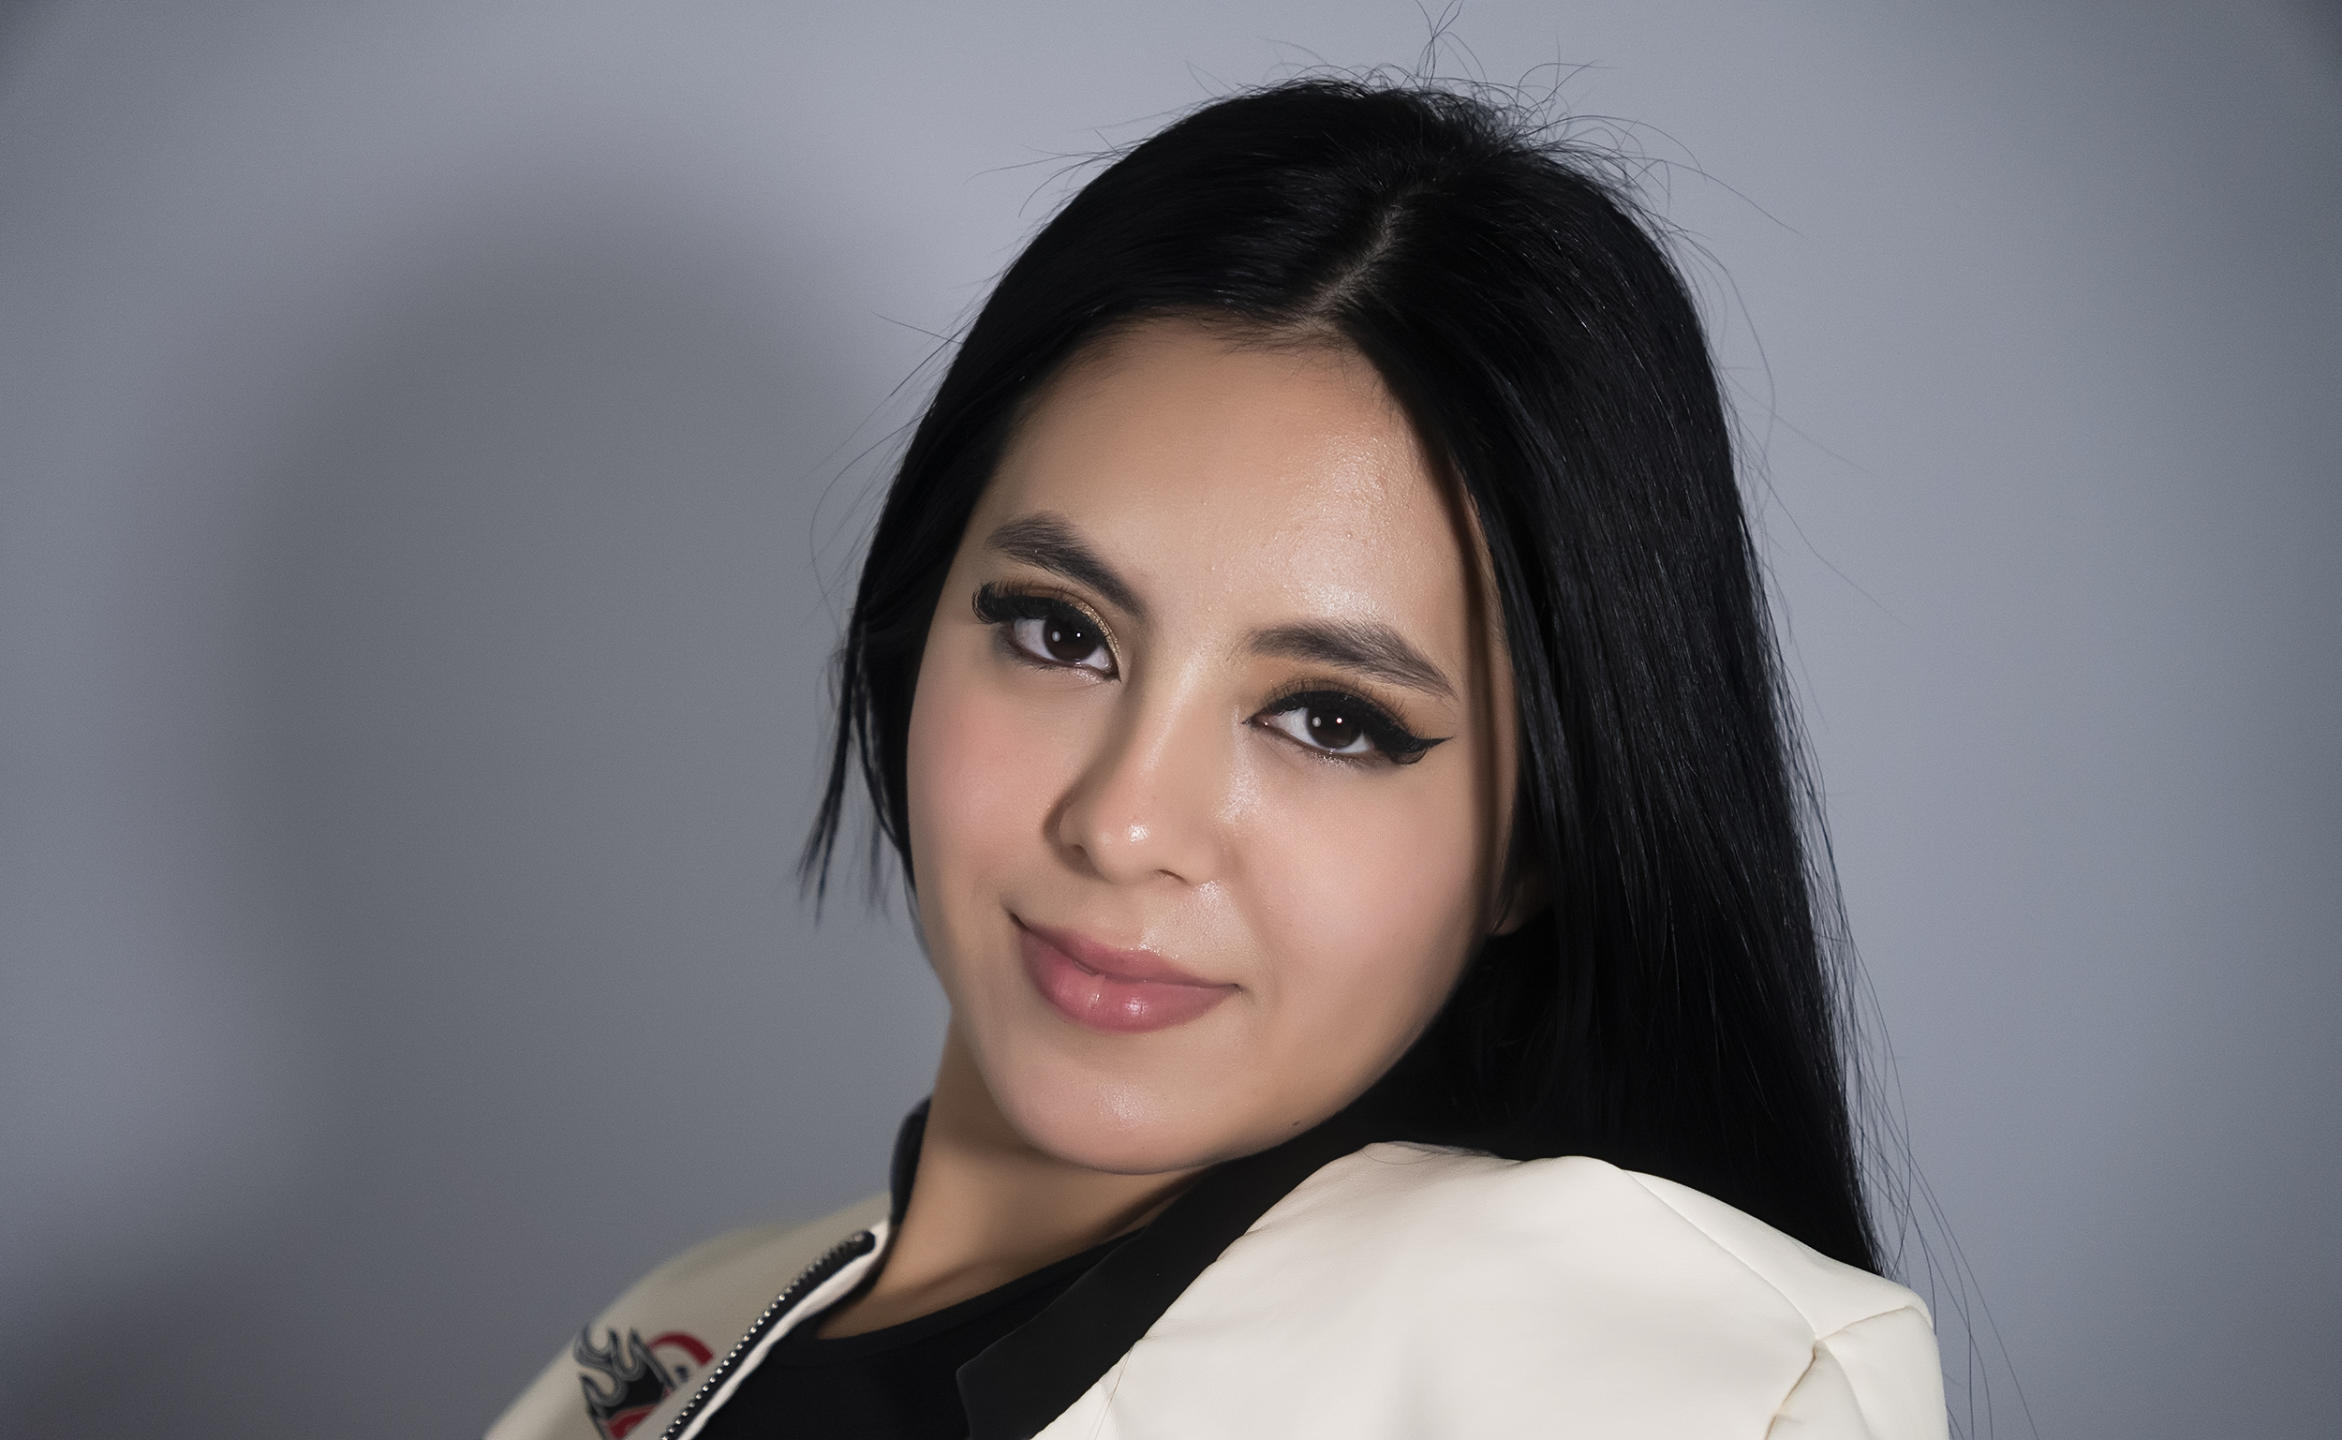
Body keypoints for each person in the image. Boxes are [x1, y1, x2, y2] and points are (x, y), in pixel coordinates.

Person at [488, 76, 1948, 1440]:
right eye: (1061, 633)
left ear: (1538, 843)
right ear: (915, 621)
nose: (1125, 824)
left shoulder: (1667, 1382)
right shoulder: (662, 1339)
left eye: (1330, 719)